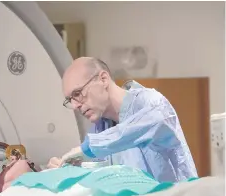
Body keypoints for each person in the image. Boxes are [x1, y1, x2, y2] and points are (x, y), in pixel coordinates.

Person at [48, 57, 197, 182]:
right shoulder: (101, 126)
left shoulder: (150, 103)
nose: (75, 105)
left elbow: (130, 133)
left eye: (77, 93)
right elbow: (102, 173)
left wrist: (86, 148)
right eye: (70, 100)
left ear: (103, 79)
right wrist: (70, 168)